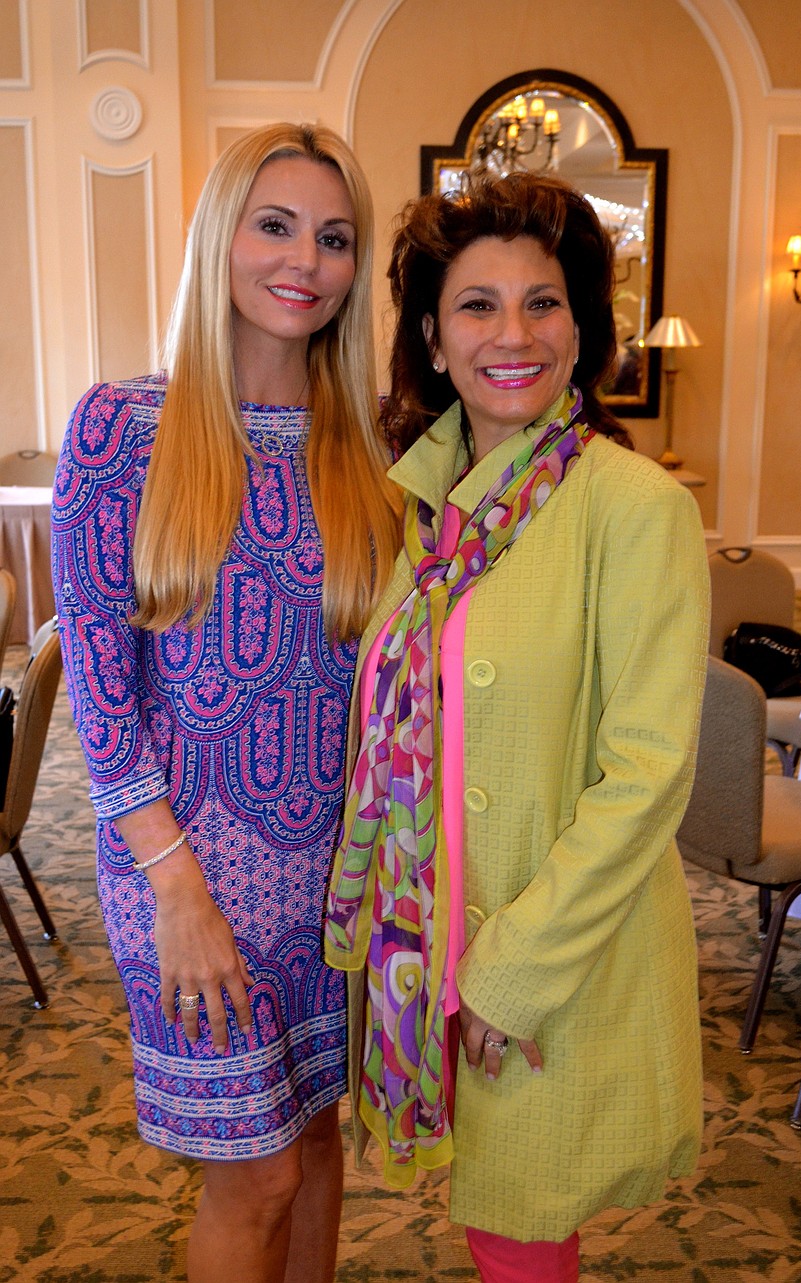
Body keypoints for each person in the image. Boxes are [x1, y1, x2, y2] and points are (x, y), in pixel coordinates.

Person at [324, 172, 709, 1283]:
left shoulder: (633, 505)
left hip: (542, 952)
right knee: (499, 1225)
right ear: (434, 343)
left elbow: (645, 775)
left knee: (526, 1233)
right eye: (476, 305)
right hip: (432, 925)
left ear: (581, 328)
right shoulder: (429, 509)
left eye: (543, 303)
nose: (514, 333)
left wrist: (509, 971)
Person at [51, 123, 399, 1283]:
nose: (305, 259)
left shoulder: (371, 450)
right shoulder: (122, 429)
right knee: (250, 1173)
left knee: (311, 1138)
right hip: (186, 871)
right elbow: (100, 698)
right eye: (275, 224)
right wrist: (180, 894)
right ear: (221, 238)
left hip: (336, 876)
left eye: (335, 236)